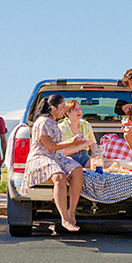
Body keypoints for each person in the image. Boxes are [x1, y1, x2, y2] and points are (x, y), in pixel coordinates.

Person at [19, 94, 88, 232]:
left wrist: (76, 144)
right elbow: (49, 146)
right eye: (62, 107)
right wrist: (71, 142)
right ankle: (64, 219)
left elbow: (57, 148)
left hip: (56, 157)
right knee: (59, 177)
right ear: (52, 108)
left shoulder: (53, 122)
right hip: (41, 157)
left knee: (78, 170)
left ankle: (71, 212)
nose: (64, 110)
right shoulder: (43, 122)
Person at [58, 99, 101, 168]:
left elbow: (93, 143)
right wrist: (84, 144)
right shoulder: (61, 128)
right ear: (68, 113)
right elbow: (64, 152)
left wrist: (97, 152)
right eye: (75, 110)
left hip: (85, 157)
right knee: (77, 170)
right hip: (69, 159)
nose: (79, 111)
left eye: (80, 109)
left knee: (104, 164)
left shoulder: (86, 125)